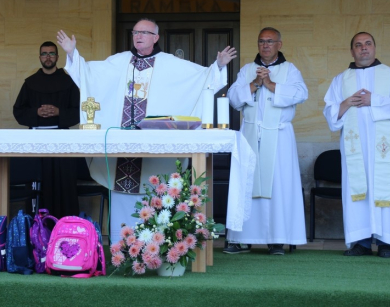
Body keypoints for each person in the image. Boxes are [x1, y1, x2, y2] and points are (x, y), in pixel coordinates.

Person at [57, 18, 237, 242]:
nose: (138, 36)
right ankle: (120, 248)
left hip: (153, 152)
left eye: (144, 32)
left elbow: (201, 79)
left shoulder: (171, 64)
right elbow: (89, 74)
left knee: (154, 193)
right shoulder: (119, 62)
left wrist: (218, 66)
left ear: (156, 38)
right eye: (135, 32)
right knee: (122, 200)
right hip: (121, 150)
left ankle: (155, 247)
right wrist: (73, 54)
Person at [225, 27, 308, 255]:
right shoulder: (247, 70)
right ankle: (242, 239)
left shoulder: (290, 70)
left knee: (278, 186)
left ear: (279, 44)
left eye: (270, 41)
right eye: (262, 41)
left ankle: (277, 240)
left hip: (279, 136)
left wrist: (271, 84)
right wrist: (254, 84)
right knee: (247, 183)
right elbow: (233, 98)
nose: (266, 45)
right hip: (250, 134)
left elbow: (301, 94)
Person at [324, 32, 390, 258]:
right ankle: (360, 242)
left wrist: (375, 101)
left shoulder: (388, 75)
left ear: (374, 47)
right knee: (357, 189)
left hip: (384, 148)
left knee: (385, 188)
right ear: (352, 51)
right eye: (358, 45)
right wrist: (344, 103)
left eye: (368, 44)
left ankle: (386, 242)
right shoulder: (341, 80)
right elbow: (330, 114)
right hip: (355, 149)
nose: (363, 49)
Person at [13, 41, 80, 217]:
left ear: (57, 57)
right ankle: (38, 230)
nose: (48, 57)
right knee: (37, 184)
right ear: (40, 57)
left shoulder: (69, 82)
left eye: (51, 53)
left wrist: (59, 112)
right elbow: (18, 111)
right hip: (36, 141)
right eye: (44, 54)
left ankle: (64, 225)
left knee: (63, 184)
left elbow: (80, 110)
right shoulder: (30, 83)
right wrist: (36, 112)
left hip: (62, 141)